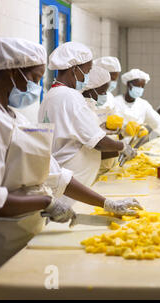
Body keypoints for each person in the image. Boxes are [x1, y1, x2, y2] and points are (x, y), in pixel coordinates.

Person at [0, 37, 142, 281]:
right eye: (34, 78)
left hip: (27, 235)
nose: (37, 85)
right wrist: (45, 202)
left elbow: (55, 174)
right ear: (12, 72)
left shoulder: (16, 119)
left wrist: (106, 203)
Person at [38, 42, 136, 192]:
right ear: (75, 69)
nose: (89, 76)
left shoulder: (51, 95)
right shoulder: (70, 97)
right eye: (88, 70)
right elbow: (98, 142)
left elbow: (76, 140)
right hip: (73, 178)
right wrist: (123, 147)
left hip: (64, 173)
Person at [114, 69, 160, 138]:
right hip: (116, 144)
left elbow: (159, 124)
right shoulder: (115, 102)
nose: (140, 89)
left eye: (142, 87)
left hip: (136, 144)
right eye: (137, 86)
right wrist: (122, 133)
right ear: (129, 85)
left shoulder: (143, 104)